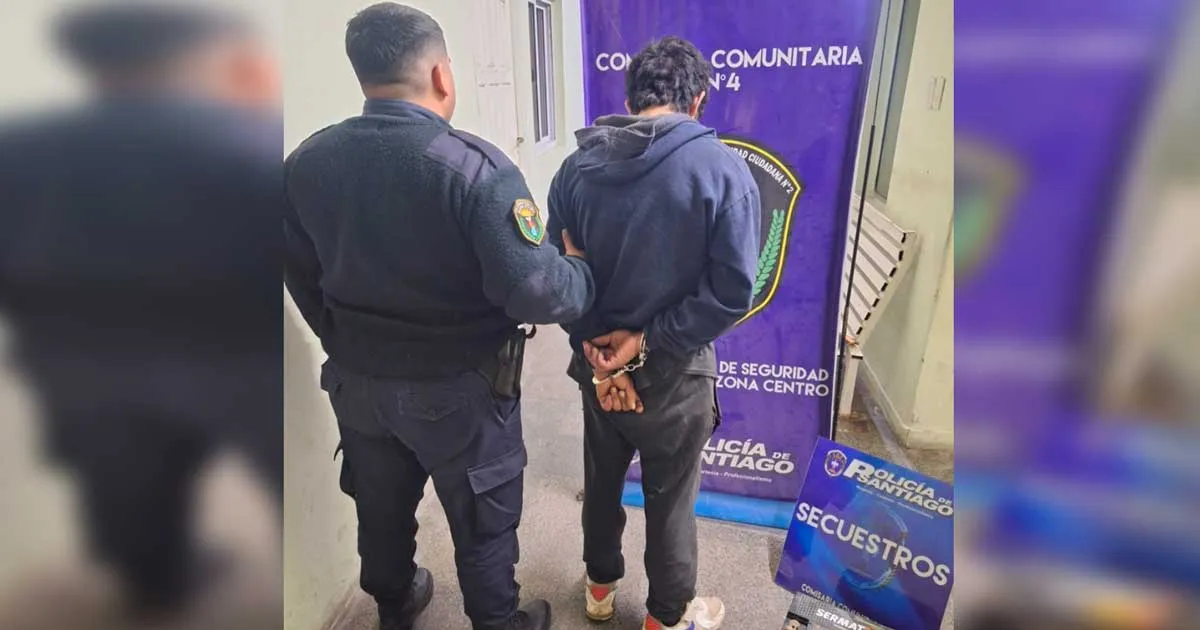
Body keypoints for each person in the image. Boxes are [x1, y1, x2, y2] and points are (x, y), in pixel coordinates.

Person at [283, 4, 593, 630]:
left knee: (379, 503)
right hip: (461, 392)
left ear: (364, 75)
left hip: (358, 384)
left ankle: (394, 605)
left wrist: (345, 341)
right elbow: (537, 292)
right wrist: (579, 272)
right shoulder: (474, 170)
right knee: (482, 517)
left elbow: (300, 276)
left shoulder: (307, 163)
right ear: (441, 76)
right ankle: (497, 623)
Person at [0, 3, 282, 621]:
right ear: (198, 60)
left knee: (126, 489)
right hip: (231, 359)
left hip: (79, 358)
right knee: (283, 479)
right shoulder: (249, 142)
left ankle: (155, 585)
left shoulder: (18, 149)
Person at [546, 36, 761, 630]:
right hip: (676, 374)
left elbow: (555, 273)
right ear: (697, 101)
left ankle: (599, 588)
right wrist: (642, 344)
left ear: (631, 100)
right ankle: (666, 618)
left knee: (601, 480)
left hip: (597, 370)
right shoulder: (721, 170)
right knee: (671, 500)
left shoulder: (574, 169)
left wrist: (597, 350)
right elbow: (731, 293)